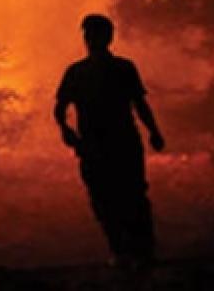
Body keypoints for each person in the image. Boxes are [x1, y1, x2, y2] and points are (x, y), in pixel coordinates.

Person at [55, 14, 165, 269]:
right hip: (93, 147)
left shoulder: (123, 69)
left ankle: (143, 252)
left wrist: (154, 131)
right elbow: (60, 107)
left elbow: (140, 104)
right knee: (102, 200)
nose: (90, 39)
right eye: (88, 35)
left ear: (108, 38)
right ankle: (120, 251)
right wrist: (65, 129)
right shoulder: (76, 72)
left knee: (133, 196)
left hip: (123, 143)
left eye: (95, 34)